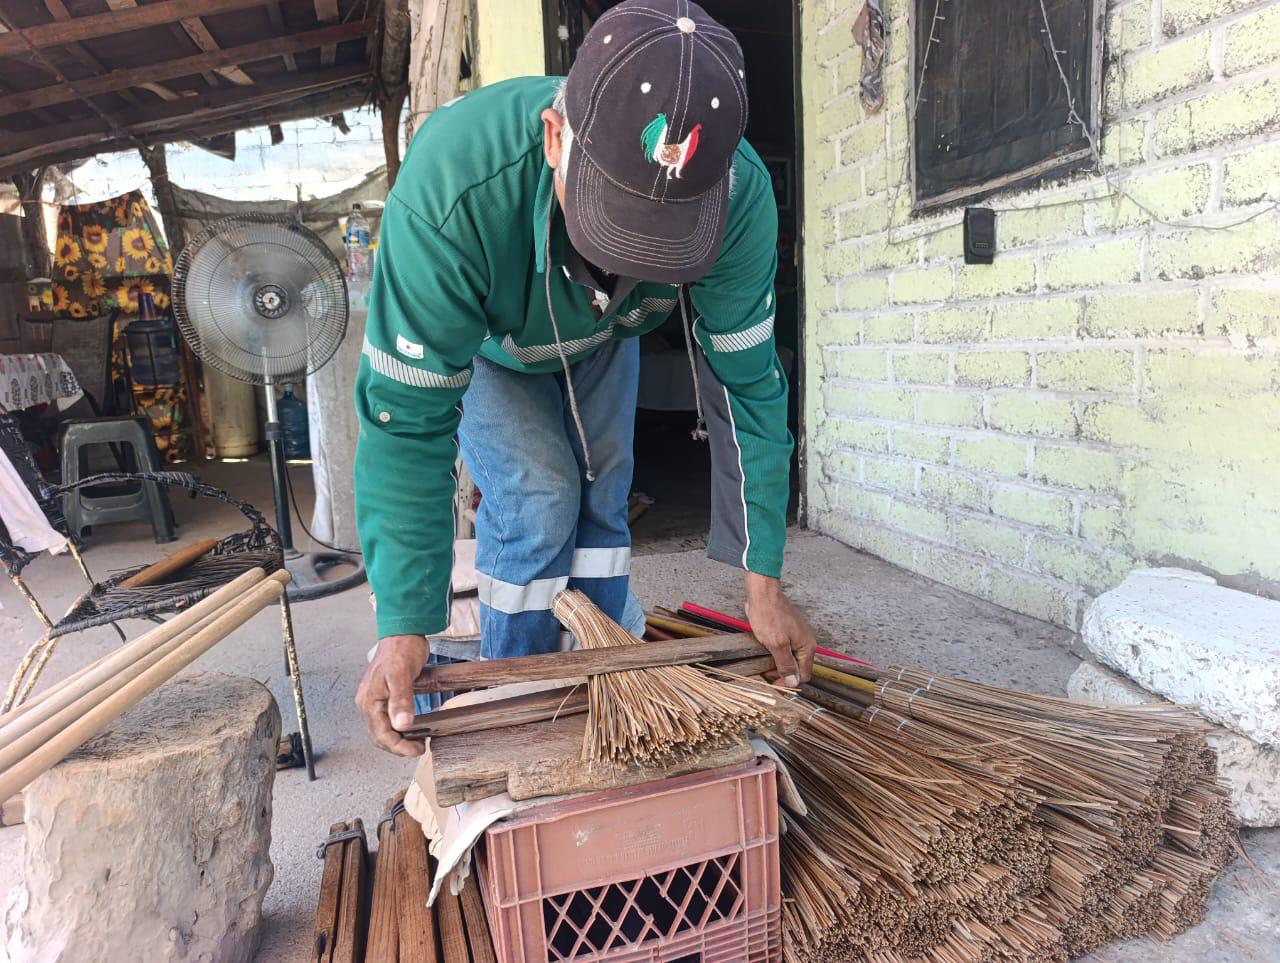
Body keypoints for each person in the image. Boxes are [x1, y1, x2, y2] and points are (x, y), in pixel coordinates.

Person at [353, 0, 817, 757]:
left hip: (610, 334)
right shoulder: (452, 188)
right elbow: (404, 422)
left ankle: (611, 686)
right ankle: (519, 692)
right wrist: (404, 627)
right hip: (497, 349)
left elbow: (748, 387)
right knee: (541, 497)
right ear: (554, 137)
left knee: (603, 498)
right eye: (615, 222)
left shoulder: (737, 196)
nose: (632, 260)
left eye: (663, 242)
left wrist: (762, 583)